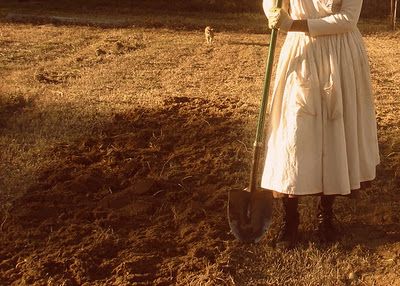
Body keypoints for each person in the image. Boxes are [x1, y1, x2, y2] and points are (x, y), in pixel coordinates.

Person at [260, 0, 380, 248]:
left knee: (335, 129)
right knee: (293, 132)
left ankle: (326, 214)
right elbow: (272, 6)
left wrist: (294, 24)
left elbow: (348, 19)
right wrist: (272, 10)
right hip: (301, 52)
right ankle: (290, 219)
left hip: (340, 52)